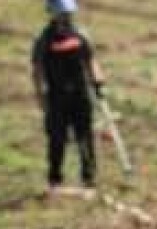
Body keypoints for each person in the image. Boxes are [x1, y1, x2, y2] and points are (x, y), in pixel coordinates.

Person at [31, 0, 105, 193]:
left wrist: (97, 80)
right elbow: (37, 70)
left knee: (84, 136)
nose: (65, 18)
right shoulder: (43, 40)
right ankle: (55, 180)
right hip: (57, 96)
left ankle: (89, 179)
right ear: (53, 14)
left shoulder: (81, 35)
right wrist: (40, 95)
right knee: (57, 138)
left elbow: (91, 60)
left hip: (80, 94)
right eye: (61, 14)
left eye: (68, 14)